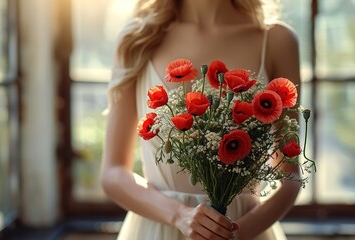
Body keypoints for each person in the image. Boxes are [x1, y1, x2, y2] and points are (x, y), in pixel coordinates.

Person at [101, 0, 301, 239]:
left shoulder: (278, 40)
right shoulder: (138, 38)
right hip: (158, 229)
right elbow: (113, 173)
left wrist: (235, 234)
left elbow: (290, 177)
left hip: (246, 230)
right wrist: (179, 215)